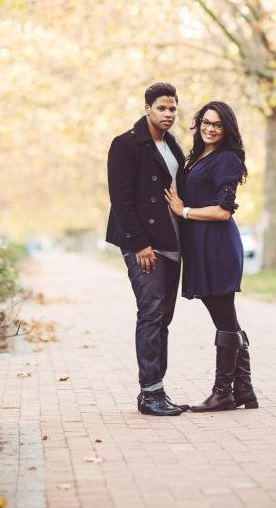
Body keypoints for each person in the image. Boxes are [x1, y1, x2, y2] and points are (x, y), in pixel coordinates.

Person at [165, 100, 258, 412]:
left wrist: (184, 210)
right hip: (200, 245)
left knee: (224, 317)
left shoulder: (227, 159)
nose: (210, 128)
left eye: (217, 124)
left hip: (217, 245)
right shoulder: (198, 156)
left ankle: (225, 392)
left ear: (226, 128)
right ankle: (243, 390)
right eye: (206, 121)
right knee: (226, 317)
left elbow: (222, 211)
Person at [106, 82, 189, 416]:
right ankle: (149, 394)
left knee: (163, 318)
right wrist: (140, 244)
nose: (168, 114)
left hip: (172, 244)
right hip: (144, 246)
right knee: (151, 313)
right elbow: (121, 200)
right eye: (162, 108)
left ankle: (158, 390)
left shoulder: (173, 147)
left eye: (173, 109)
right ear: (147, 109)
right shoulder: (126, 145)